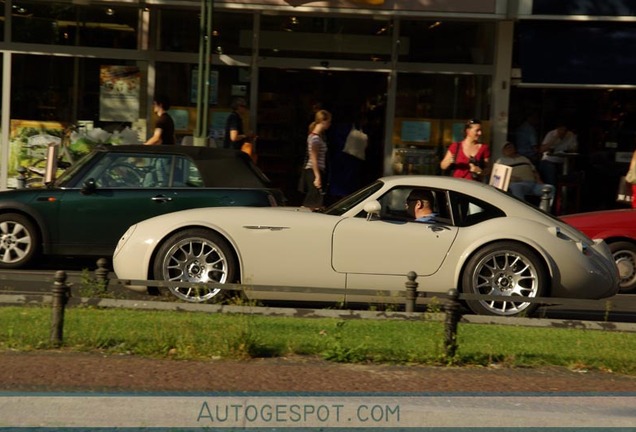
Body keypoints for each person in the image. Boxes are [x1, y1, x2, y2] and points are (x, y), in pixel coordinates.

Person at [496, 141, 555, 207]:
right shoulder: (501, 161)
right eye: (507, 147)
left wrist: (539, 180)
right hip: (517, 184)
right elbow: (498, 175)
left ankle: (544, 210)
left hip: (533, 184)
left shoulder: (524, 158)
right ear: (503, 150)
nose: (510, 148)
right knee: (516, 187)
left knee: (550, 188)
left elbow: (534, 171)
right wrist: (510, 178)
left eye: (511, 147)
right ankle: (521, 209)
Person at [302, 109, 332, 209]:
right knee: (314, 199)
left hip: (316, 170)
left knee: (316, 198)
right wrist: (317, 176)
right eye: (328, 122)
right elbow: (313, 157)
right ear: (323, 121)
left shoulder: (316, 137)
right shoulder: (315, 139)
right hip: (314, 170)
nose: (329, 124)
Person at [538, 122, 578, 186]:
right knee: (551, 177)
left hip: (564, 161)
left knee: (571, 176)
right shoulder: (551, 134)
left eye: (565, 130)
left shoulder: (570, 135)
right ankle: (551, 192)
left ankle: (564, 193)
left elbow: (574, 148)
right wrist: (554, 139)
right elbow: (541, 150)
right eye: (561, 129)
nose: (563, 132)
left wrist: (568, 150)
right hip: (549, 160)